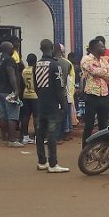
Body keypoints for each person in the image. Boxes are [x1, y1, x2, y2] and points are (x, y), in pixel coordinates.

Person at [31, 40, 69, 172]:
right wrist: (64, 105)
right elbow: (60, 88)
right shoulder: (55, 65)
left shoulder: (36, 65)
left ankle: (42, 162)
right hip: (52, 106)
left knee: (40, 134)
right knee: (52, 134)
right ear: (52, 48)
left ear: (41, 48)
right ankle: (53, 164)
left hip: (40, 104)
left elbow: (35, 86)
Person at [80, 38, 109, 147]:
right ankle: (85, 149)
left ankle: (103, 149)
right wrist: (105, 72)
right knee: (89, 125)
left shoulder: (104, 60)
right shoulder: (86, 59)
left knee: (103, 126)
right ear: (93, 48)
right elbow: (94, 71)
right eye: (102, 46)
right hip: (91, 96)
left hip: (104, 96)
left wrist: (102, 72)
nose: (104, 48)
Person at [0, 41, 23, 148]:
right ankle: (12, 140)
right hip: (9, 91)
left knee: (3, 116)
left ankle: (4, 138)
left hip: (1, 91)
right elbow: (12, 75)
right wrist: (16, 90)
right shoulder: (9, 61)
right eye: (12, 48)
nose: (14, 50)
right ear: (8, 49)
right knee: (12, 116)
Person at [20, 54, 38, 145]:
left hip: (26, 95)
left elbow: (23, 83)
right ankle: (37, 137)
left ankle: (25, 137)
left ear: (27, 61)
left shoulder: (24, 71)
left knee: (25, 117)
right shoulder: (36, 70)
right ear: (36, 61)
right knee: (36, 117)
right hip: (35, 95)